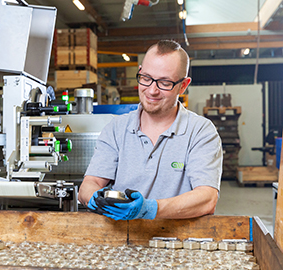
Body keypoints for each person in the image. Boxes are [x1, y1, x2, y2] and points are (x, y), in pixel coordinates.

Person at [78, 40, 222, 221]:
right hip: (122, 241)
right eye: (146, 78)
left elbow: (207, 198)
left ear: (183, 85)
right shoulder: (116, 129)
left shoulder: (201, 132)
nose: (152, 90)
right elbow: (90, 184)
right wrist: (94, 199)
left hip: (178, 244)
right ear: (139, 72)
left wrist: (151, 209)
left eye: (164, 82)